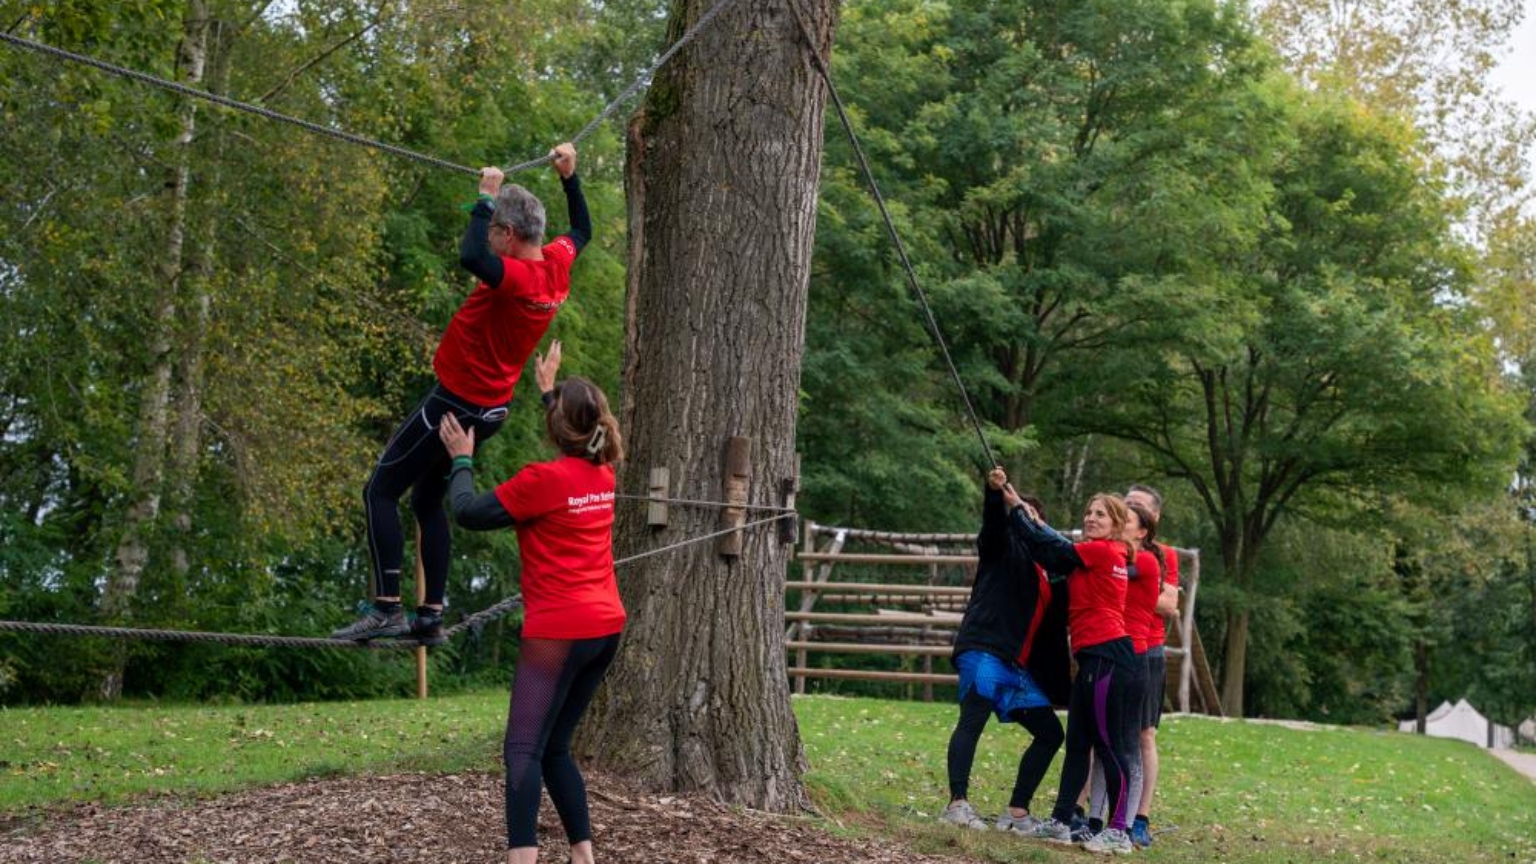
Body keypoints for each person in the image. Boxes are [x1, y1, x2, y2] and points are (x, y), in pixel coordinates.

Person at [333, 143, 591, 643]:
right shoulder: (556, 263)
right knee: (427, 503)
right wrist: (570, 177)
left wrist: (485, 197)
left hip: (454, 403)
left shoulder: (515, 278)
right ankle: (429, 618)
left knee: (379, 491)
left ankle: (386, 608)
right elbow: (581, 230)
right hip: (489, 408)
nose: (487, 235)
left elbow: (471, 254)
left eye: (494, 229)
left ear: (509, 236)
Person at [438, 346, 624, 864]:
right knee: (556, 748)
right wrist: (549, 389)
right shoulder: (603, 475)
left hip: (558, 633)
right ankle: (583, 857)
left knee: (522, 750)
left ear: (560, 428)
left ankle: (524, 858)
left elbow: (470, 512)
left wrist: (461, 459)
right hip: (604, 628)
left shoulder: (542, 481)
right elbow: (579, 434)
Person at [1010, 491, 1143, 855]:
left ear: (1116, 525)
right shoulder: (1098, 554)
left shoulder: (1102, 551)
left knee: (1108, 746)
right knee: (1078, 745)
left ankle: (1118, 830)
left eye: (1100, 514)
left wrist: (1019, 513)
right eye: (1088, 512)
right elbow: (1055, 543)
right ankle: (1061, 821)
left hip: (1108, 658)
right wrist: (1026, 513)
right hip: (1090, 660)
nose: (1090, 518)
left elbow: (1051, 549)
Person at [941, 467, 1070, 835]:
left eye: (1031, 515)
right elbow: (994, 528)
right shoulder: (1001, 548)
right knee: (973, 720)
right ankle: (957, 803)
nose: (1023, 518)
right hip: (984, 650)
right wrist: (994, 495)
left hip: (1017, 668)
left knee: (1050, 733)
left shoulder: (1048, 570)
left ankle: (1016, 812)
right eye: (1020, 513)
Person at [1084, 499, 1160, 844]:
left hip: (1135, 659)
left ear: (1143, 531)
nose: (1119, 524)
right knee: (1105, 744)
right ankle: (1096, 821)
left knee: (1127, 744)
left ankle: (1125, 826)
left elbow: (1103, 567)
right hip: (1112, 655)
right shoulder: (1118, 556)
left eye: (1126, 520)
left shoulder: (1142, 560)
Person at [1124, 483, 1180, 847]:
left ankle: (1140, 817)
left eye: (1138, 507)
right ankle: (1078, 809)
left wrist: (1126, 582)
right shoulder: (1105, 548)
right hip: (1107, 645)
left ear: (1153, 519)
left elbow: (1169, 604)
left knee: (1144, 734)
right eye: (1126, 504)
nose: (1129, 510)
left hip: (1149, 648)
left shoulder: (1164, 555)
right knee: (1099, 735)